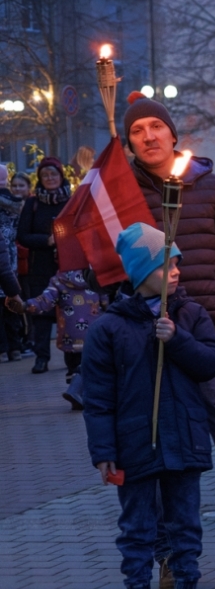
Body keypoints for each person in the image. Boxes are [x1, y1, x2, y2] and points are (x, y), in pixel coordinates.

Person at [125, 93, 215, 575]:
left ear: (171, 133)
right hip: (148, 346)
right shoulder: (120, 193)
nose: (148, 136)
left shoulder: (209, 187)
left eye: (155, 127)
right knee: (163, 455)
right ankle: (169, 557)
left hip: (207, 342)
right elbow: (101, 272)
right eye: (137, 130)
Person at [84, 222, 215, 589]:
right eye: (167, 265)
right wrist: (103, 450)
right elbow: (98, 398)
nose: (177, 271)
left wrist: (177, 340)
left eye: (177, 262)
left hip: (183, 437)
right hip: (133, 443)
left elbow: (211, 364)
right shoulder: (108, 328)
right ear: (141, 274)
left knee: (185, 522)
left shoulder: (190, 314)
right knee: (137, 526)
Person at [7, 267, 110, 409]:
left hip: (70, 337)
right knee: (93, 368)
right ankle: (81, 394)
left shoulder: (59, 279)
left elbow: (45, 301)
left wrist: (25, 306)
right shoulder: (97, 277)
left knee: (73, 368)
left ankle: (76, 393)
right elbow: (106, 303)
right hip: (93, 336)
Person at [16, 157, 71, 372]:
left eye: (53, 174)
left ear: (60, 176)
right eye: (45, 175)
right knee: (41, 314)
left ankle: (73, 360)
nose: (49, 178)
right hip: (41, 267)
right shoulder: (33, 203)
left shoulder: (71, 201)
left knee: (69, 313)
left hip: (67, 267)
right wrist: (46, 241)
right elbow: (22, 235)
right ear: (40, 178)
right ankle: (41, 358)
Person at [0, 172, 27, 361]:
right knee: (12, 302)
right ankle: (15, 347)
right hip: (10, 256)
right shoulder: (17, 204)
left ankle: (3, 349)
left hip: (5, 257)